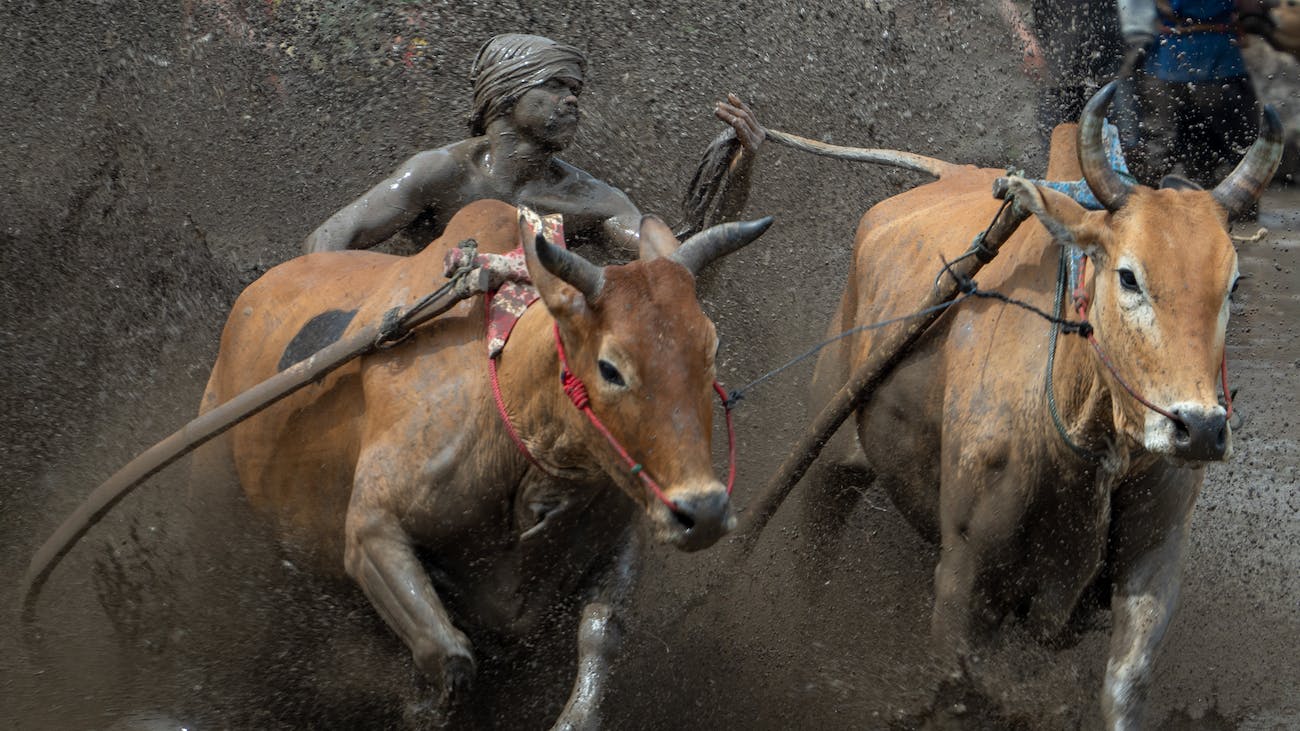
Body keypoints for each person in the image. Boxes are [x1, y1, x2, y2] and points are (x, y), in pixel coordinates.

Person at [302, 33, 765, 256]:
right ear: (505, 94)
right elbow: (329, 239)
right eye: (558, 86)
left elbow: (674, 260)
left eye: (576, 92)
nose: (572, 101)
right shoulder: (440, 173)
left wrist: (738, 171)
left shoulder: (591, 201)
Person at [1114, 0, 1273, 187]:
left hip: (1167, 61)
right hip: (1220, 62)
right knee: (1241, 153)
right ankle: (1237, 210)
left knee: (1157, 154)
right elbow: (1253, 7)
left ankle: (1146, 206)